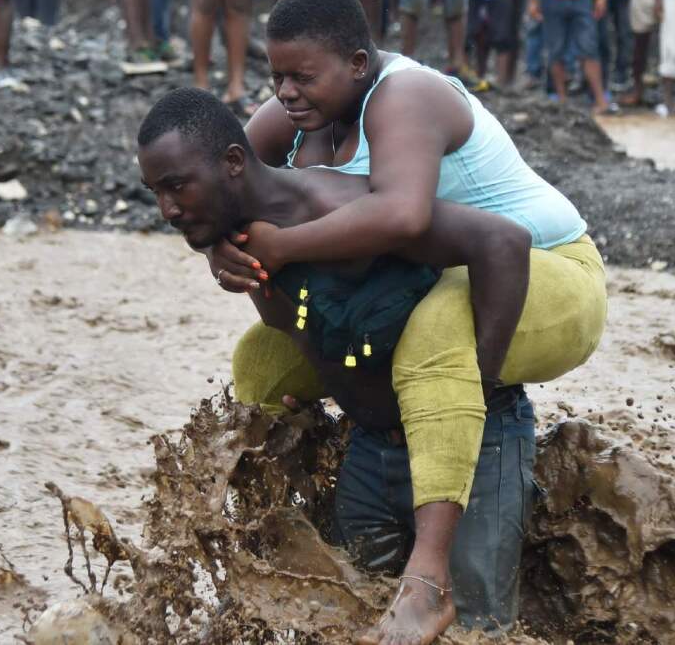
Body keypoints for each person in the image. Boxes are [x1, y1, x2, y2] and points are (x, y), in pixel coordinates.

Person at [206, 0, 607, 645]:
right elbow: (222, 179)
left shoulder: (407, 95)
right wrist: (226, 250)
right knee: (262, 356)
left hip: (547, 270)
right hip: (446, 273)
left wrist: (281, 244)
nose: (285, 93)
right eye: (275, 76)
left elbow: (402, 213)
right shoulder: (298, 107)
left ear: (358, 65)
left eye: (302, 77)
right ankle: (269, 521)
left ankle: (427, 581)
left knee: (435, 332)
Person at [138, 86, 543, 639]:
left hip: (471, 453)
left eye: (177, 186)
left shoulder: (337, 207)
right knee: (346, 622)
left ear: (233, 163)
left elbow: (503, 242)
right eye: (155, 192)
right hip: (371, 456)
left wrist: (481, 388)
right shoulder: (238, 244)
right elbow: (302, 328)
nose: (167, 210)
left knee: (479, 630)